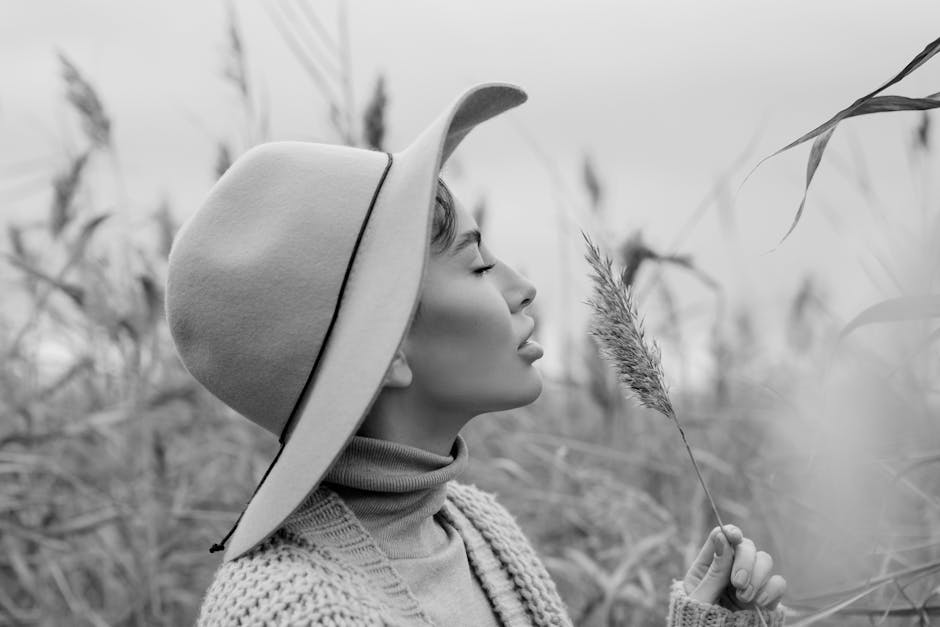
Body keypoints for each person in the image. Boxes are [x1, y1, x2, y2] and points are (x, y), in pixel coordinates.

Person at [165, 82, 787, 626]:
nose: (522, 287)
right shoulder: (291, 608)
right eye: (479, 264)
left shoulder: (474, 526)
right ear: (387, 349)